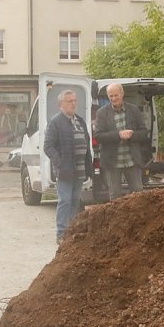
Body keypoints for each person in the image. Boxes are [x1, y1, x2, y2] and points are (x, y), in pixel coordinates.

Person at [43, 90, 93, 243]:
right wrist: (60, 162)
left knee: (75, 200)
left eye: (75, 100)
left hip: (79, 170)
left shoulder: (80, 120)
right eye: (70, 101)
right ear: (61, 104)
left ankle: (72, 231)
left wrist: (88, 167)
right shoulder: (55, 122)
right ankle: (61, 234)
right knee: (64, 201)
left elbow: (86, 144)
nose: (73, 104)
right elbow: (48, 146)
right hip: (65, 171)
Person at [94, 83, 149, 201]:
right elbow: (98, 136)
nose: (113, 98)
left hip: (132, 160)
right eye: (111, 96)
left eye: (116, 95)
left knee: (138, 195)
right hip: (112, 162)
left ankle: (136, 214)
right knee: (115, 196)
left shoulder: (134, 110)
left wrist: (132, 135)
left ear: (122, 94)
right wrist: (118, 135)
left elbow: (144, 133)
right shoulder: (102, 113)